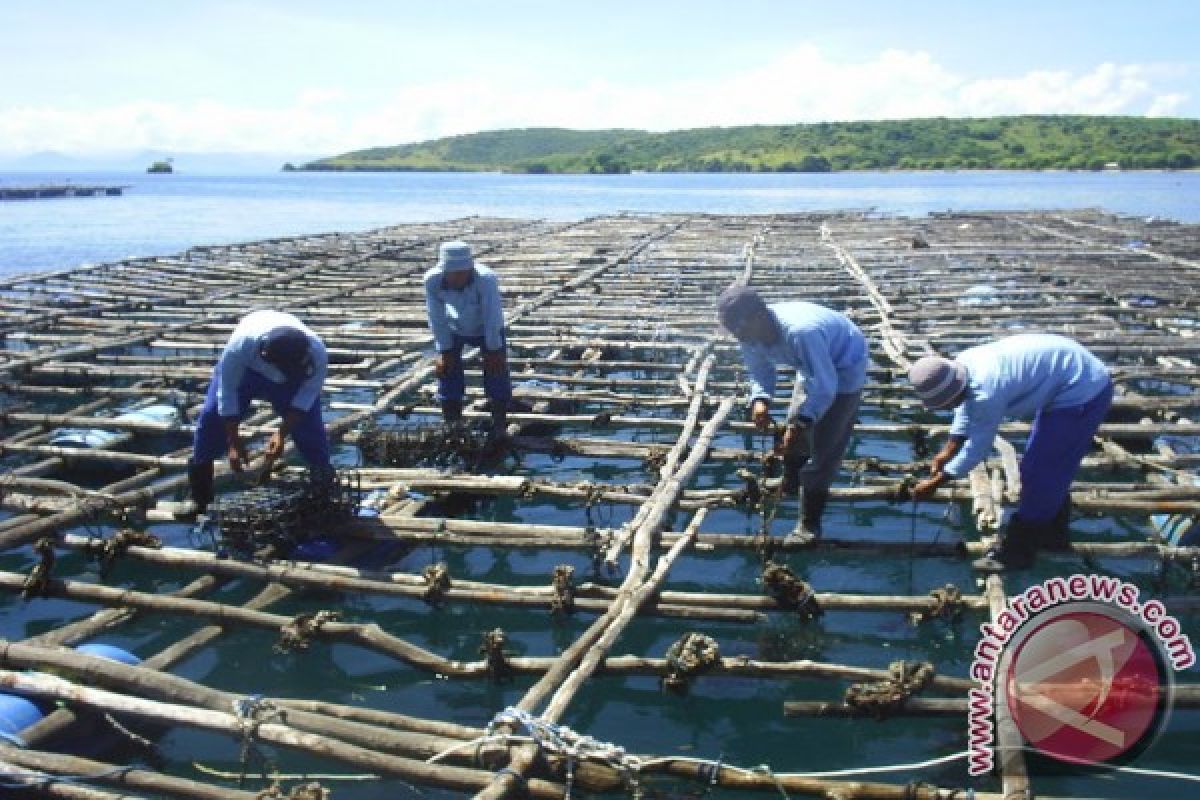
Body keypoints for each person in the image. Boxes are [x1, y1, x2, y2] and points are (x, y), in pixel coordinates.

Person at [908, 333, 1113, 572]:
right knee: (1044, 468)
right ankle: (1053, 536)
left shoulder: (987, 392)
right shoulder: (962, 366)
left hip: (1083, 390)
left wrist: (937, 481)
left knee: (1042, 472)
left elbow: (977, 449)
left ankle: (1018, 552)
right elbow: (965, 409)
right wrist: (948, 451)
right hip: (1066, 376)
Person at [717, 284, 869, 544]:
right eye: (733, 331)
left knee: (824, 447)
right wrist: (760, 400)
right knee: (794, 426)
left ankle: (809, 525)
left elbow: (826, 386)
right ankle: (791, 480)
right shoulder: (749, 335)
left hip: (844, 367)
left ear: (759, 316)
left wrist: (802, 424)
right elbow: (760, 372)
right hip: (811, 363)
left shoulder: (801, 333)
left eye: (740, 329)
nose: (738, 337)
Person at [188, 310, 330, 513]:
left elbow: (306, 396)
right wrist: (233, 441)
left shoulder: (317, 353)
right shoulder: (241, 346)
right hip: (248, 372)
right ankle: (199, 497)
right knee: (211, 418)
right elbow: (226, 393)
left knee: (310, 428)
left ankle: (323, 487)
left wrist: (281, 433)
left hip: (289, 382)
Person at [423, 241, 512, 437]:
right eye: (453, 273)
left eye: (462, 273)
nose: (458, 278)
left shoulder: (486, 279)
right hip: (455, 328)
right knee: (448, 372)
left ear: (470, 269)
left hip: (485, 328)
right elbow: (435, 316)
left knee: (496, 371)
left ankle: (499, 425)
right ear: (444, 270)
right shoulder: (432, 280)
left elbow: (493, 315)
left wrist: (494, 349)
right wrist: (444, 351)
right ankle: (452, 425)